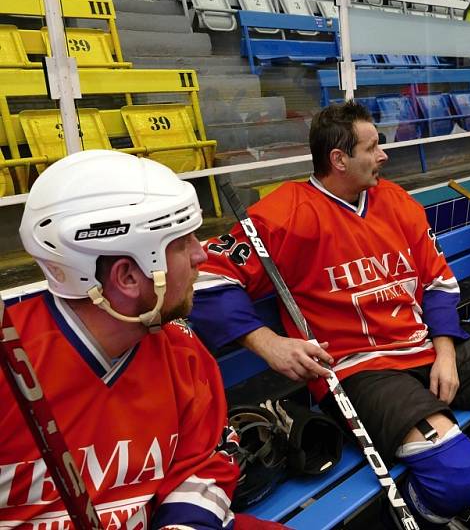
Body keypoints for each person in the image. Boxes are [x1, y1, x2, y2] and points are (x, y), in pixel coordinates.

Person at [190, 102, 470, 529]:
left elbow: (438, 283)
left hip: (424, 345)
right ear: (339, 159)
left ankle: (454, 493)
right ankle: (447, 494)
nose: (384, 155)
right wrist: (267, 342)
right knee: (454, 474)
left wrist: (444, 351)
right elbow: (204, 278)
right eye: (373, 147)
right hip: (357, 368)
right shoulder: (284, 212)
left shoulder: (395, 200)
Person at [0, 150, 273, 529]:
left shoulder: (181, 349)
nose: (201, 255)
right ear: (128, 276)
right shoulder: (10, 359)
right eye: (183, 242)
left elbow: (203, 461)